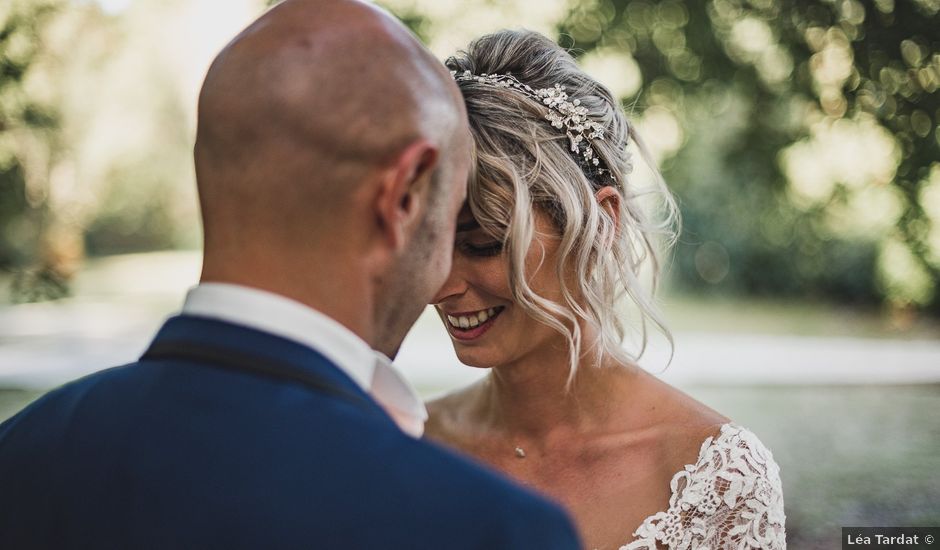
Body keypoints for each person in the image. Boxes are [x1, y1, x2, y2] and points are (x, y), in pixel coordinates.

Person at [0, 5, 581, 549]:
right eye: (448, 217)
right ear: (402, 197)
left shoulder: (21, 451)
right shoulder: (489, 528)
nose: (443, 283)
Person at [426, 30, 787, 550]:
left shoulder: (714, 478)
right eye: (430, 244)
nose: (440, 284)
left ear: (601, 222)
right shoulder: (411, 440)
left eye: (483, 244)